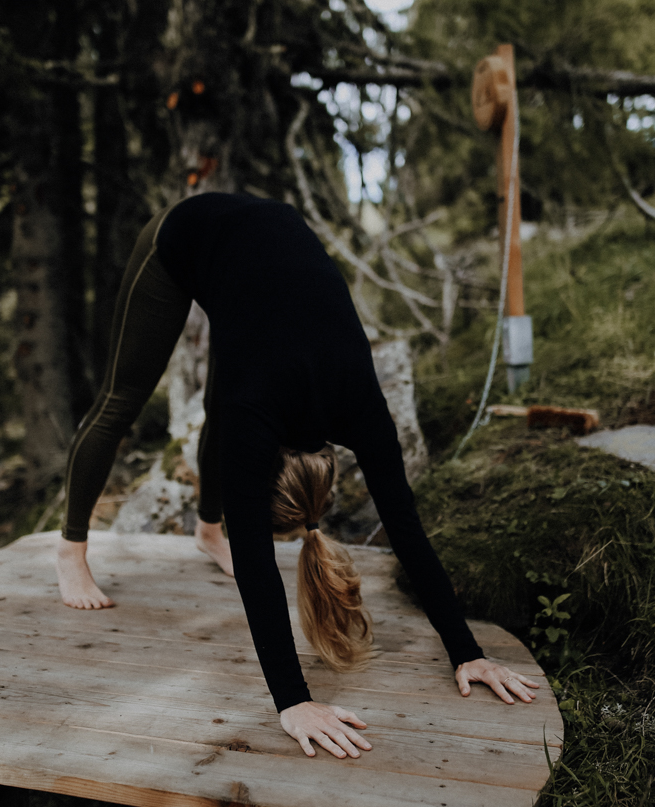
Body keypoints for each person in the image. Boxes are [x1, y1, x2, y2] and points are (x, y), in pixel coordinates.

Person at [57, 192, 539, 759]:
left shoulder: (356, 403)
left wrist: (467, 651)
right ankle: (71, 551)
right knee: (122, 399)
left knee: (233, 379)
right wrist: (293, 701)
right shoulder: (253, 416)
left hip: (261, 275)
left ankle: (208, 532)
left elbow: (407, 528)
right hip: (186, 235)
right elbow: (259, 568)